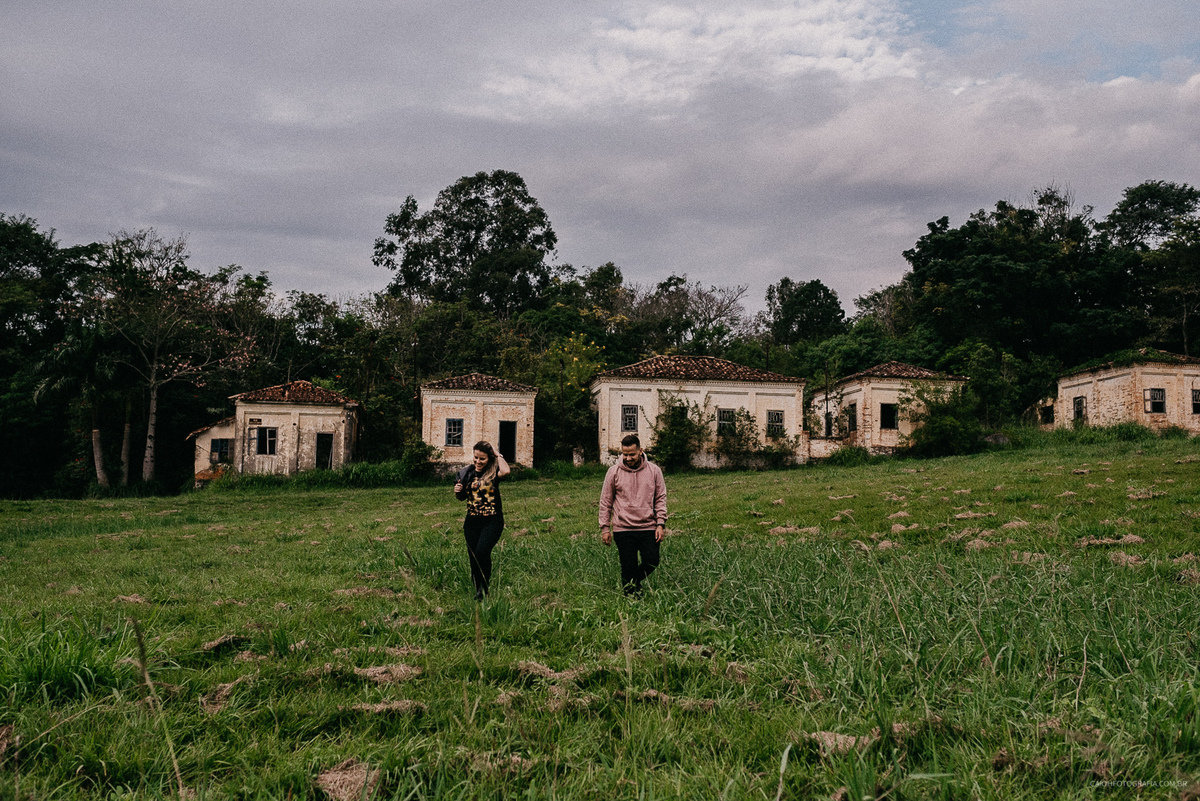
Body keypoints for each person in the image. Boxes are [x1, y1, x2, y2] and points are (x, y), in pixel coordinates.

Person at [598, 434, 667, 595]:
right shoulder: (613, 472)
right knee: (628, 566)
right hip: (623, 529)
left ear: (640, 451)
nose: (628, 458)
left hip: (648, 527)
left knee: (652, 561)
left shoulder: (654, 471)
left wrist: (660, 523)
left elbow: (660, 498)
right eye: (625, 454)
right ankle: (631, 602)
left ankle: (632, 582)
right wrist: (605, 528)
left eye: (632, 454)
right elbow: (605, 501)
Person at [454, 441, 510, 600]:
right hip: (472, 523)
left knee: (481, 552)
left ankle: (484, 588)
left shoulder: (493, 473)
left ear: (489, 459)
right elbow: (461, 497)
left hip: (492, 521)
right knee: (473, 557)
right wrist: (457, 491)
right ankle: (479, 589)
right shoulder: (467, 474)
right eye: (476, 458)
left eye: (482, 459)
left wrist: (497, 454)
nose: (478, 462)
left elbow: (506, 471)